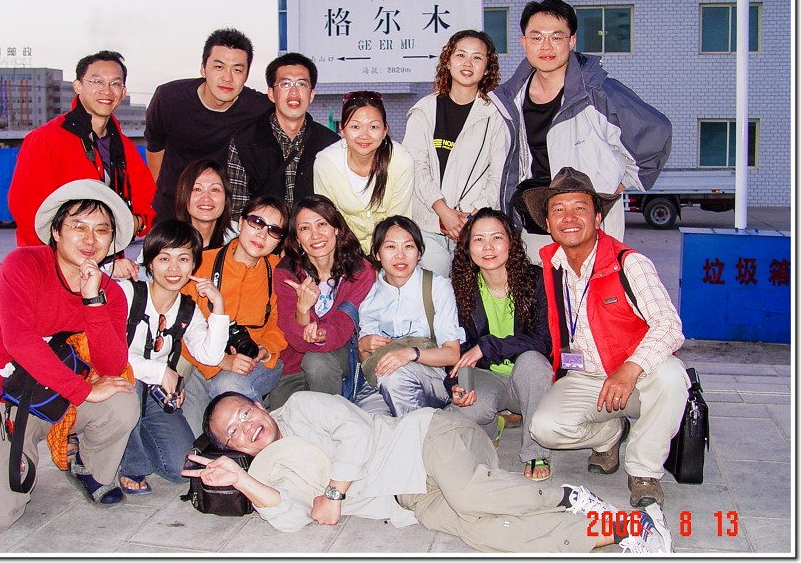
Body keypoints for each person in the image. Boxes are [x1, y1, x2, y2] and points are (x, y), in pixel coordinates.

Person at [184, 391, 673, 554]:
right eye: (233, 432)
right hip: (409, 498)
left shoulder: (299, 406)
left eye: (244, 413)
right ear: (231, 447)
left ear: (257, 404)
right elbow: (291, 518)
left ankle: (566, 495)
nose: (246, 427)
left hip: (428, 438)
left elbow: (356, 432)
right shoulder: (268, 472)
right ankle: (621, 530)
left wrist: (333, 493)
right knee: (488, 535)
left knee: (470, 495)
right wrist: (243, 481)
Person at [0, 180, 139, 533]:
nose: (90, 239)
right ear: (56, 231)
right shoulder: (22, 265)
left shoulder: (111, 293)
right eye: (78, 226)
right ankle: (16, 453)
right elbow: (20, 341)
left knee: (121, 399)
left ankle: (88, 467)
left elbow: (110, 365)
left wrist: (93, 301)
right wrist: (83, 391)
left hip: (66, 398)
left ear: (111, 241)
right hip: (7, 399)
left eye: (101, 230)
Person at [522, 167, 689, 508]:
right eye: (559, 210)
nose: (569, 218)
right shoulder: (551, 266)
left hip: (636, 377)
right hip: (584, 376)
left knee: (672, 377)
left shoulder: (629, 263)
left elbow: (670, 326)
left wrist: (630, 368)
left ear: (598, 218)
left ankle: (644, 471)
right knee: (544, 428)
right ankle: (611, 433)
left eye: (579, 208)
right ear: (548, 223)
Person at [499, 0, 672, 262]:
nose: (546, 46)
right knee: (542, 287)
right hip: (534, 222)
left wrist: (613, 188)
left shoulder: (598, 94)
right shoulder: (510, 98)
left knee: (589, 288)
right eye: (537, 37)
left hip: (588, 227)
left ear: (571, 41)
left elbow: (656, 134)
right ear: (524, 42)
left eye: (556, 37)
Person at [8, 50, 156, 273]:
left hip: (106, 266)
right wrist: (62, 267)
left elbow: (147, 199)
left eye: (115, 83)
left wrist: (134, 222)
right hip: (52, 268)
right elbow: (26, 209)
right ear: (78, 86)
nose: (107, 90)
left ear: (123, 92)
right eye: (97, 81)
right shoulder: (45, 140)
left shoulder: (124, 147)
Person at [117, 219, 229, 495]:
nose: (174, 269)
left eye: (183, 259)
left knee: (180, 469)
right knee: (129, 386)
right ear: (150, 263)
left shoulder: (187, 310)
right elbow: (111, 357)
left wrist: (218, 306)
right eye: (164, 258)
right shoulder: (128, 293)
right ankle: (131, 462)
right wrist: (162, 373)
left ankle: (125, 438)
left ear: (194, 265)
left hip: (153, 395)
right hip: (120, 388)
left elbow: (210, 355)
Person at [448, 207, 554, 480]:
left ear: (511, 242)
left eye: (496, 237)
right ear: (467, 247)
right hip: (488, 376)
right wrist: (456, 385)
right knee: (465, 408)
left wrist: (488, 346)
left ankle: (535, 451)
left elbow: (543, 341)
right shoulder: (461, 287)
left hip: (527, 380)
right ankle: (492, 426)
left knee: (533, 361)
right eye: (478, 239)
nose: (488, 247)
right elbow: (456, 347)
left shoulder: (536, 279)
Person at [403, 30, 516, 276]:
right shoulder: (424, 111)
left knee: (470, 294)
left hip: (474, 226)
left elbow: (498, 176)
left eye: (477, 58)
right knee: (432, 290)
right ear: (448, 61)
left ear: (487, 68)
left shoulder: (496, 115)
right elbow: (416, 167)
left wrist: (470, 217)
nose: (468, 63)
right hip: (428, 224)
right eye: (461, 55)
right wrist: (443, 212)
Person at [178, 195, 289, 435]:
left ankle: (268, 447)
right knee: (191, 439)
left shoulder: (279, 272)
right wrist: (221, 361)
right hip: (204, 362)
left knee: (228, 383)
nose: (262, 235)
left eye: (273, 230)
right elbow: (179, 326)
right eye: (256, 222)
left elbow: (280, 324)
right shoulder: (202, 263)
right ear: (240, 223)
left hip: (257, 362)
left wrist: (265, 349)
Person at [145, 28, 273, 222]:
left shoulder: (258, 107)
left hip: (220, 212)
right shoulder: (169, 99)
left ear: (246, 75)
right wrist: (170, 192)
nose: (227, 78)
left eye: (237, 70)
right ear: (203, 69)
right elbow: (155, 148)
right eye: (219, 67)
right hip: (171, 208)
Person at [357, 216, 477, 419]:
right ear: (376, 253)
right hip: (381, 379)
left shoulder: (437, 287)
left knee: (395, 377)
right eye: (390, 247)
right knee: (365, 421)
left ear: (419, 252)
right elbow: (368, 364)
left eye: (409, 246)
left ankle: (418, 433)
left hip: (431, 377)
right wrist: (363, 347)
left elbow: (452, 354)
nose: (400, 255)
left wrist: (410, 353)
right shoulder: (370, 296)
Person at [269, 195, 377, 408]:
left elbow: (343, 324)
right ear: (297, 237)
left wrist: (321, 334)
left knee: (316, 362)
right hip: (294, 362)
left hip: (340, 353)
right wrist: (302, 309)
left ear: (336, 228)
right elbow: (297, 341)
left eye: (322, 224)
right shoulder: (286, 273)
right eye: (305, 228)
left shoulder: (360, 270)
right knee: (282, 415)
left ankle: (330, 422)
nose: (315, 235)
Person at [226, 53, 340, 220]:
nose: (294, 92)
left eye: (301, 84)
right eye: (285, 84)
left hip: (313, 234)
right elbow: (237, 211)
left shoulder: (330, 144)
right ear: (271, 94)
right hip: (263, 234)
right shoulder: (244, 141)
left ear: (311, 94)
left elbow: (337, 207)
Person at [313, 91, 414, 253]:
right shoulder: (326, 163)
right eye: (355, 127)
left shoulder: (401, 161)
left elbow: (398, 222)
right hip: (344, 250)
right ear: (342, 129)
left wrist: (377, 258)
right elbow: (328, 218)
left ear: (385, 130)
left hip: (390, 250)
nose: (364, 135)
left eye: (373, 127)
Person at [174, 159, 238, 250]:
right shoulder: (167, 244)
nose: (206, 198)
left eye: (214, 189)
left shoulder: (239, 243)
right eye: (197, 189)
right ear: (183, 195)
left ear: (226, 198)